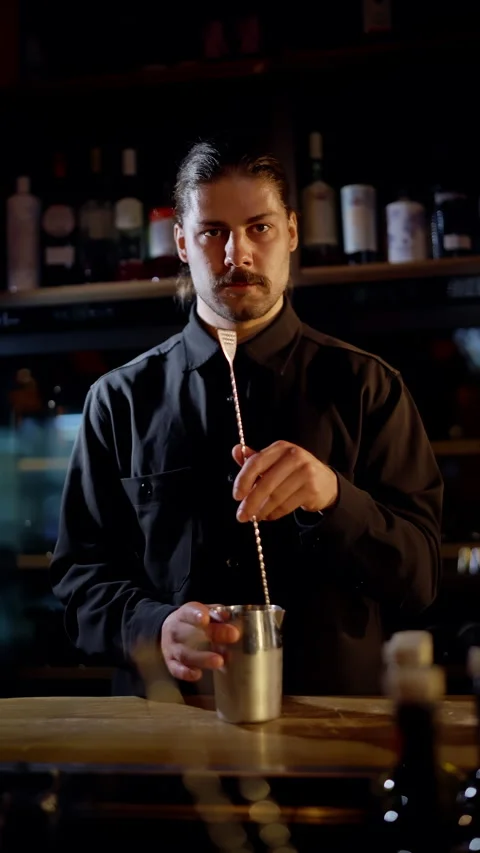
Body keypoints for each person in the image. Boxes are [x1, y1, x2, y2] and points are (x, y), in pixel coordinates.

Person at [50, 139, 443, 697]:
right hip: (171, 740)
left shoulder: (370, 387)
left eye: (259, 228)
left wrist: (334, 497)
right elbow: (79, 584)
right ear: (182, 242)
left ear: (292, 232)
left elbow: (422, 577)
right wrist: (155, 627)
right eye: (213, 232)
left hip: (334, 738)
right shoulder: (118, 399)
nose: (238, 254)